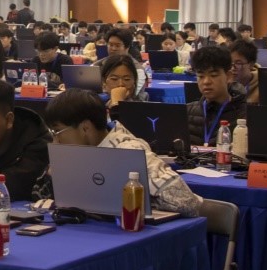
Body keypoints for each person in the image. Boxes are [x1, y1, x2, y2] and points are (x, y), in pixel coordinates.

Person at [33, 89, 202, 215]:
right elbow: (37, 197)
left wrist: (138, 201)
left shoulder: (129, 152)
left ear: (85, 128)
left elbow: (187, 203)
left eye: (58, 132)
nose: (55, 141)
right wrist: (52, 175)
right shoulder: (76, 154)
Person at [187, 45, 245, 147]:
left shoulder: (244, 115)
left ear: (228, 76)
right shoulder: (187, 112)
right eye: (201, 76)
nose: (206, 82)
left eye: (213, 75)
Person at [229, 39, 260, 103]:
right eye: (230, 63)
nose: (232, 68)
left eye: (238, 63)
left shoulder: (262, 87)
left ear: (251, 64)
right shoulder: (225, 85)